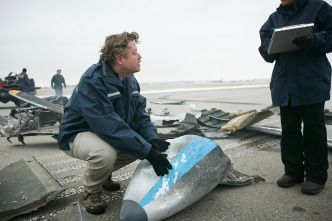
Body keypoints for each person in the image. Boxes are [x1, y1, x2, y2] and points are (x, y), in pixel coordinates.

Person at [58, 32, 172, 215]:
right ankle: (91, 192)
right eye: (135, 53)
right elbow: (107, 125)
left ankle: (103, 176)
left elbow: (140, 116)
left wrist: (151, 139)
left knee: (142, 145)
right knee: (105, 153)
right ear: (120, 59)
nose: (140, 56)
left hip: (103, 132)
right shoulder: (92, 80)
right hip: (78, 133)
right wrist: (147, 151)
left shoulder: (130, 80)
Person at [259, 0, 332, 195]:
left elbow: (331, 36)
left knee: (314, 128)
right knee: (289, 129)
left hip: (312, 79)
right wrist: (271, 46)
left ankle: (316, 176)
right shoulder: (274, 18)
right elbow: (265, 49)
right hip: (284, 82)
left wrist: (313, 40)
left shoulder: (320, 7)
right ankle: (293, 171)